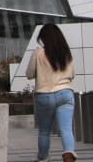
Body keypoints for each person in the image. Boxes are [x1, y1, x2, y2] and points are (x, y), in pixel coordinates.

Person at [26, 23, 77, 162]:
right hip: (65, 93)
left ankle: (43, 158)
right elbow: (72, 74)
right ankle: (68, 153)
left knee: (44, 131)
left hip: (44, 94)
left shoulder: (38, 53)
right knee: (66, 129)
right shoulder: (66, 53)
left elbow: (29, 74)